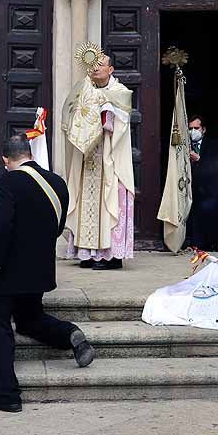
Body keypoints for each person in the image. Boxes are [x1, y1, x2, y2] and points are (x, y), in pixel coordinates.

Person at [0, 136, 95, 413]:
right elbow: (58, 226)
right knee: (29, 319)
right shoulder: (57, 182)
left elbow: (3, 226)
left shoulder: (7, 182)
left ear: (6, 160)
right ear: (29, 154)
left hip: (8, 269)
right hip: (41, 268)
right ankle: (69, 335)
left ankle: (6, 395)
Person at [62, 50, 135, 270]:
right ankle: (87, 253)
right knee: (85, 202)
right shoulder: (84, 89)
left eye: (100, 65)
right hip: (87, 158)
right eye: (93, 65)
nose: (95, 68)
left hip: (109, 157)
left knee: (109, 202)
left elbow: (122, 120)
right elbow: (72, 112)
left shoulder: (119, 91)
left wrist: (108, 112)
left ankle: (110, 257)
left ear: (110, 69)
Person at [186, 115, 218, 251]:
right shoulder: (184, 144)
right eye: (190, 128)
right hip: (189, 189)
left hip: (209, 190)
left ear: (203, 129)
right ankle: (192, 243)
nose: (193, 131)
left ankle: (211, 244)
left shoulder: (213, 145)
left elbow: (217, 167)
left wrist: (199, 159)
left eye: (196, 128)